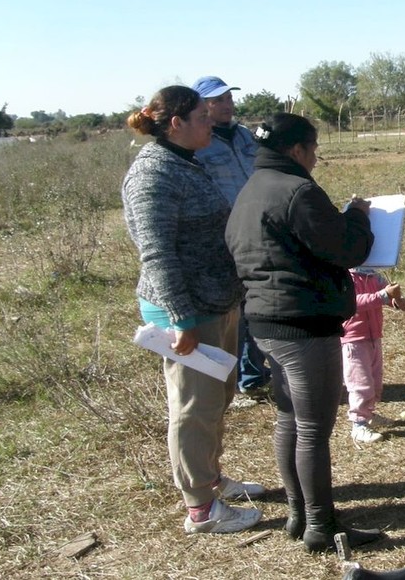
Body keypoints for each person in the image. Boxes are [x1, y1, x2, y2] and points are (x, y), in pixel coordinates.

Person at [224, 112, 381, 553]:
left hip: (265, 321)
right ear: (296, 150)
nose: (315, 158)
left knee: (290, 418)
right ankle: (321, 525)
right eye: (313, 150)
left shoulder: (251, 189)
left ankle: (299, 514)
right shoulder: (298, 191)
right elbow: (347, 248)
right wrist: (358, 216)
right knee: (313, 428)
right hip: (304, 325)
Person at [121, 85, 263, 534]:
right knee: (194, 407)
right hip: (187, 312)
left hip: (216, 301)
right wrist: (181, 319)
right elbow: (156, 254)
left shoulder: (186, 161)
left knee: (217, 398)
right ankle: (201, 508)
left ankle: (211, 476)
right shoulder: (154, 175)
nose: (212, 124)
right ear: (176, 123)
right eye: (203, 116)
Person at [191, 75, 272, 400]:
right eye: (217, 100)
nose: (226, 105)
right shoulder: (199, 144)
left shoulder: (245, 136)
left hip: (257, 228)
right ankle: (235, 377)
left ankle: (253, 374)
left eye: (228, 98)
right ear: (203, 106)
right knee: (233, 310)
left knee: (257, 303)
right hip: (224, 234)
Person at [342, 268, 405, 444]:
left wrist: (396, 301)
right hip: (353, 340)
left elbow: (387, 295)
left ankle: (368, 414)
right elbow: (352, 302)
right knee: (360, 384)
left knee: (375, 381)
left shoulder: (372, 276)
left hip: (374, 337)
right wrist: (383, 295)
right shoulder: (344, 275)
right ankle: (358, 424)